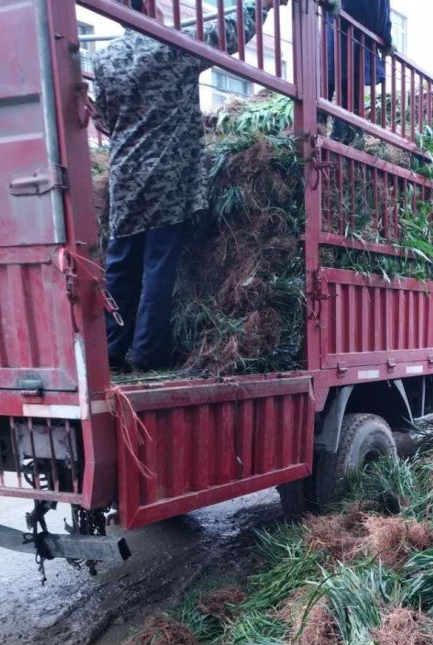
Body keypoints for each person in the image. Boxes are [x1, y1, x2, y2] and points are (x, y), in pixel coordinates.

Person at [93, 0, 287, 372]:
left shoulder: (105, 60)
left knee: (120, 265)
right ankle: (149, 355)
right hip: (167, 176)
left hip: (125, 175)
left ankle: (111, 350)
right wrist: (261, 6)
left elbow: (103, 116)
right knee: (158, 268)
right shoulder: (170, 45)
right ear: (150, 7)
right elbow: (229, 31)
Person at [327, 0, 394, 144]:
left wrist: (387, 39)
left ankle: (342, 134)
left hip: (344, 32)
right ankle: (343, 135)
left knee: (331, 80)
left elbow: (384, 13)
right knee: (344, 87)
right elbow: (384, 14)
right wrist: (387, 39)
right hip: (351, 35)